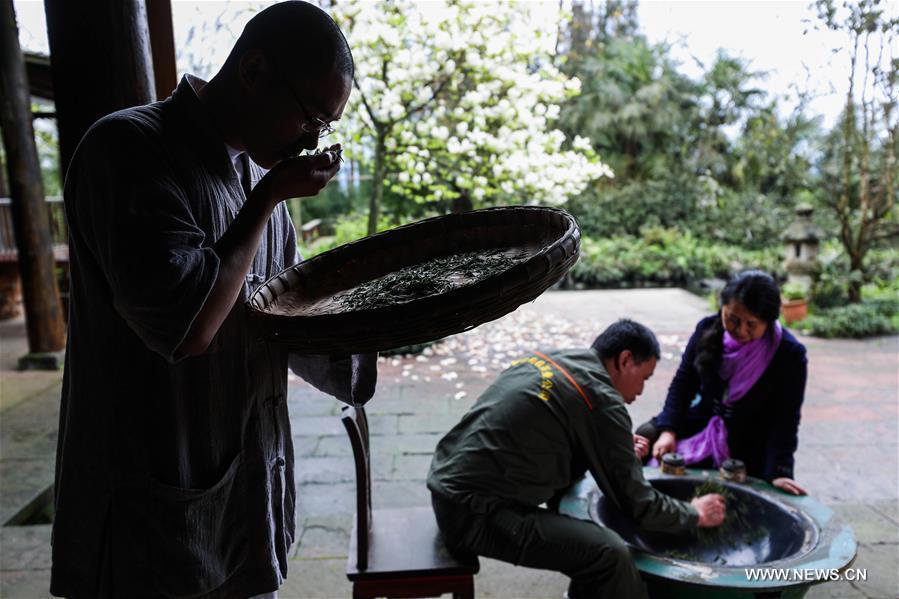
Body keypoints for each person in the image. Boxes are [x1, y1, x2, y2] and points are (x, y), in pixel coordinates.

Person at [50, 3, 375, 598]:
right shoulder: (128, 149)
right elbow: (187, 325)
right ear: (253, 70)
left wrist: (378, 323)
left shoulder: (259, 174)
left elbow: (279, 316)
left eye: (324, 127)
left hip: (248, 500)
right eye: (310, 117)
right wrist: (271, 195)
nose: (312, 141)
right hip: (151, 506)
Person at [427, 319, 726, 599]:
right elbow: (639, 504)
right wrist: (693, 513)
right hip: (473, 514)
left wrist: (612, 447)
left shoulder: (555, 360)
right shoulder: (601, 399)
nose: (641, 390)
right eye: (644, 377)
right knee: (608, 554)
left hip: (448, 488)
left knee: (581, 521)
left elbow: (556, 435)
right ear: (624, 360)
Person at [637, 270, 808, 496]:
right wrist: (669, 430)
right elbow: (683, 384)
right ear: (723, 308)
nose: (740, 330)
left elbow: (786, 418)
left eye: (752, 324)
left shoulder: (789, 354)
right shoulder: (707, 329)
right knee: (644, 439)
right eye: (733, 319)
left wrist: (780, 470)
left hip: (751, 439)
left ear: (768, 322)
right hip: (702, 421)